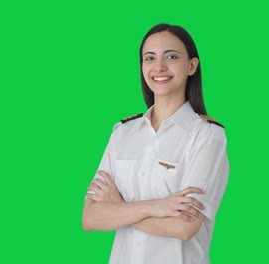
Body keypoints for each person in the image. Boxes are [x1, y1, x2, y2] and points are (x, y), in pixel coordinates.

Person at [82, 23, 229, 264]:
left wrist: (119, 209)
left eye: (171, 56)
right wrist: (157, 206)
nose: (158, 67)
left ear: (192, 66)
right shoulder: (122, 133)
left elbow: (184, 227)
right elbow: (90, 218)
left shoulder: (206, 136)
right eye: (149, 58)